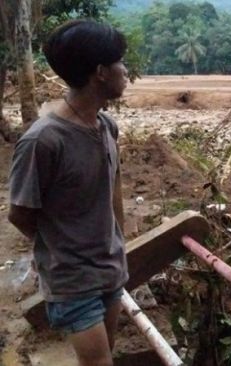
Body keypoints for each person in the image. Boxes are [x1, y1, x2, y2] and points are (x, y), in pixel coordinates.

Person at [8, 19, 129, 366]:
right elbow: (19, 213)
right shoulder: (43, 141)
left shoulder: (106, 127)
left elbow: (112, 188)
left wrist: (116, 242)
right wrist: (63, 246)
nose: (126, 71)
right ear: (101, 72)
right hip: (72, 280)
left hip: (110, 269)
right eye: (119, 62)